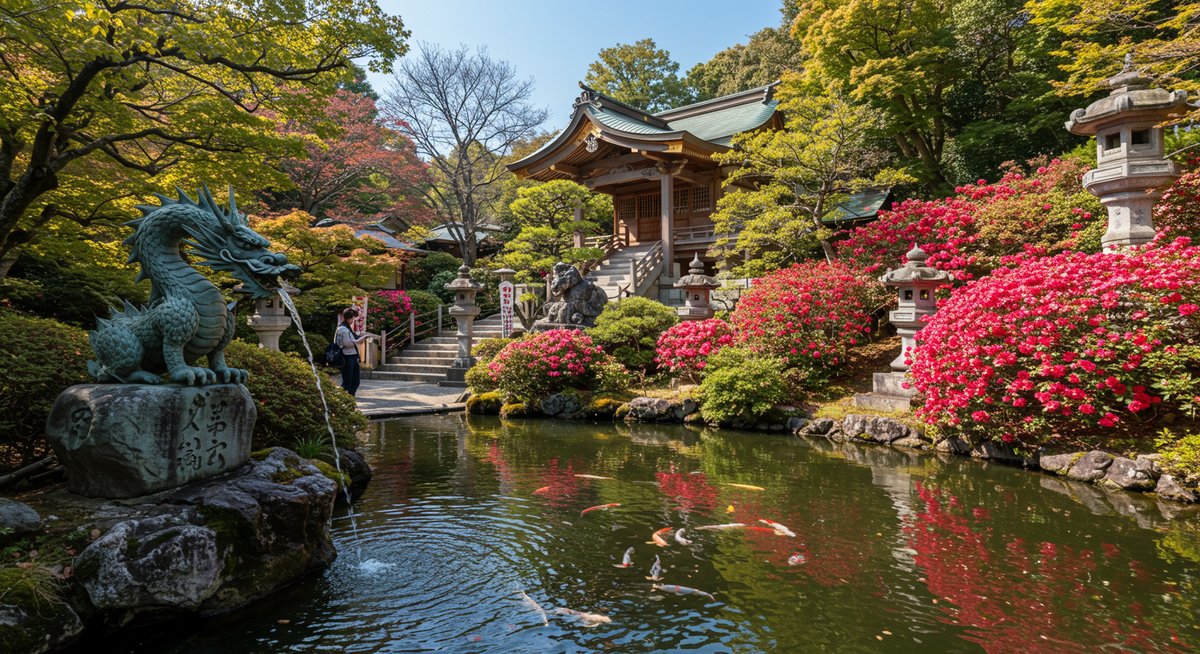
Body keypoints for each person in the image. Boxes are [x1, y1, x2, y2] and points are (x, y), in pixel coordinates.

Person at [335, 307, 372, 396]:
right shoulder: (343, 329)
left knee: (355, 380)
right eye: (353, 317)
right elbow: (348, 343)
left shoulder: (347, 327)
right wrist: (364, 337)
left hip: (352, 355)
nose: (354, 320)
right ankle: (340, 397)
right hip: (347, 356)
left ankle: (350, 396)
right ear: (349, 318)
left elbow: (353, 338)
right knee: (347, 381)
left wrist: (361, 336)